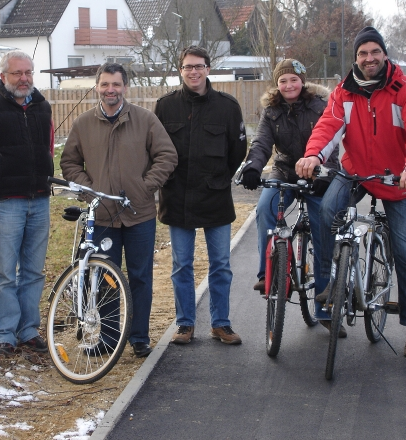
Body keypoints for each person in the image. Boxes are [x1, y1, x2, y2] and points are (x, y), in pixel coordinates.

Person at [296, 27, 406, 358]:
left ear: (384, 55)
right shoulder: (344, 92)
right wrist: (313, 155)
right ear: (356, 58)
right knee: (328, 211)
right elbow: (328, 128)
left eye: (375, 52)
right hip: (355, 170)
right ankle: (334, 278)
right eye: (363, 53)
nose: (369, 58)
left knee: (404, 250)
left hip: (397, 178)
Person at [60, 63, 177, 358]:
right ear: (97, 87)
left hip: (139, 215)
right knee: (104, 278)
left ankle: (139, 337)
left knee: (140, 277)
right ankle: (109, 339)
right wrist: (90, 190)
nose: (110, 90)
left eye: (116, 84)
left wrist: (144, 187)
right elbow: (69, 163)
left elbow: (167, 155)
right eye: (105, 84)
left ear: (125, 87)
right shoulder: (83, 123)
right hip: (102, 217)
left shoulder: (145, 120)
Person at [236, 59, 343, 336]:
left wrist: (324, 174)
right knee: (264, 208)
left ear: (302, 81)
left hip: (318, 173)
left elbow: (331, 145)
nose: (288, 85)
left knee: (322, 231)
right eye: (283, 81)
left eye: (293, 80)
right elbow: (261, 143)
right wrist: (253, 167)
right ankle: (266, 275)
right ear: (277, 84)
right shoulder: (271, 112)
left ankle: (324, 307)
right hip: (284, 171)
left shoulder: (321, 106)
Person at [155, 45, 247, 346]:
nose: (193, 72)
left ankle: (221, 323)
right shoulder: (165, 107)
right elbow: (155, 149)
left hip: (215, 196)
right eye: (187, 67)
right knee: (182, 265)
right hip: (178, 196)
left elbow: (237, 151)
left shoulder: (227, 107)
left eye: (199, 66)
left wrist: (217, 177)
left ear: (208, 68)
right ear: (180, 70)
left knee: (220, 264)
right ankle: (185, 324)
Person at [0, 50, 54, 358]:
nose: (24, 79)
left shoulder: (43, 107)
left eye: (28, 72)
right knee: (5, 273)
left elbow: (47, 147)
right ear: (3, 77)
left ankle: (28, 330)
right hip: (5, 203)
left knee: (33, 271)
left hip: (39, 201)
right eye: (17, 73)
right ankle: (4, 334)